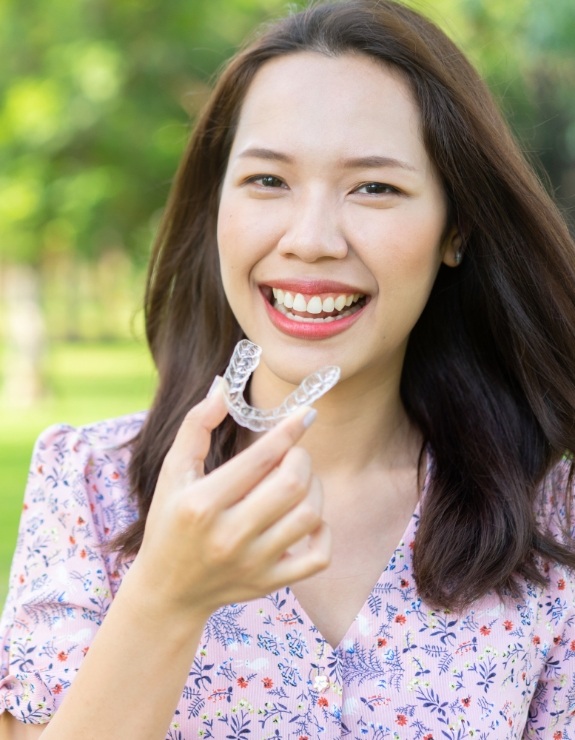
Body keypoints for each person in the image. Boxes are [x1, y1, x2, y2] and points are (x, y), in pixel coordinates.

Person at [1, 0, 575, 737]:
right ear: (216, 208)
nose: (310, 240)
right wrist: (166, 599)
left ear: (453, 230)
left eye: (374, 187)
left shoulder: (550, 518)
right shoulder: (87, 486)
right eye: (268, 181)